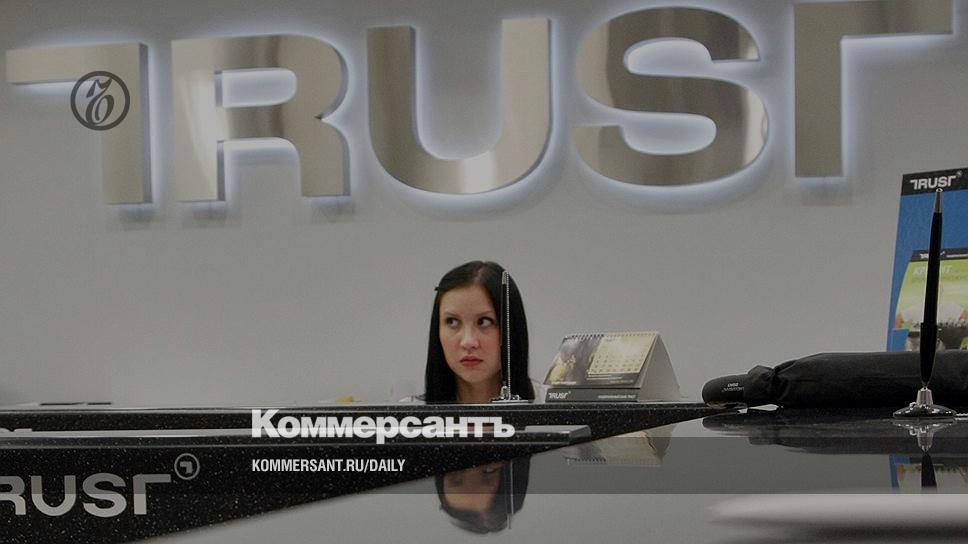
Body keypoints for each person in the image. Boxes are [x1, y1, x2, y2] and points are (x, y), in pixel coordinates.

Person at [424, 261, 534, 403]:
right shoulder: (406, 415)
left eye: (484, 322)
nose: (468, 342)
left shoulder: (553, 410)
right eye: (452, 322)